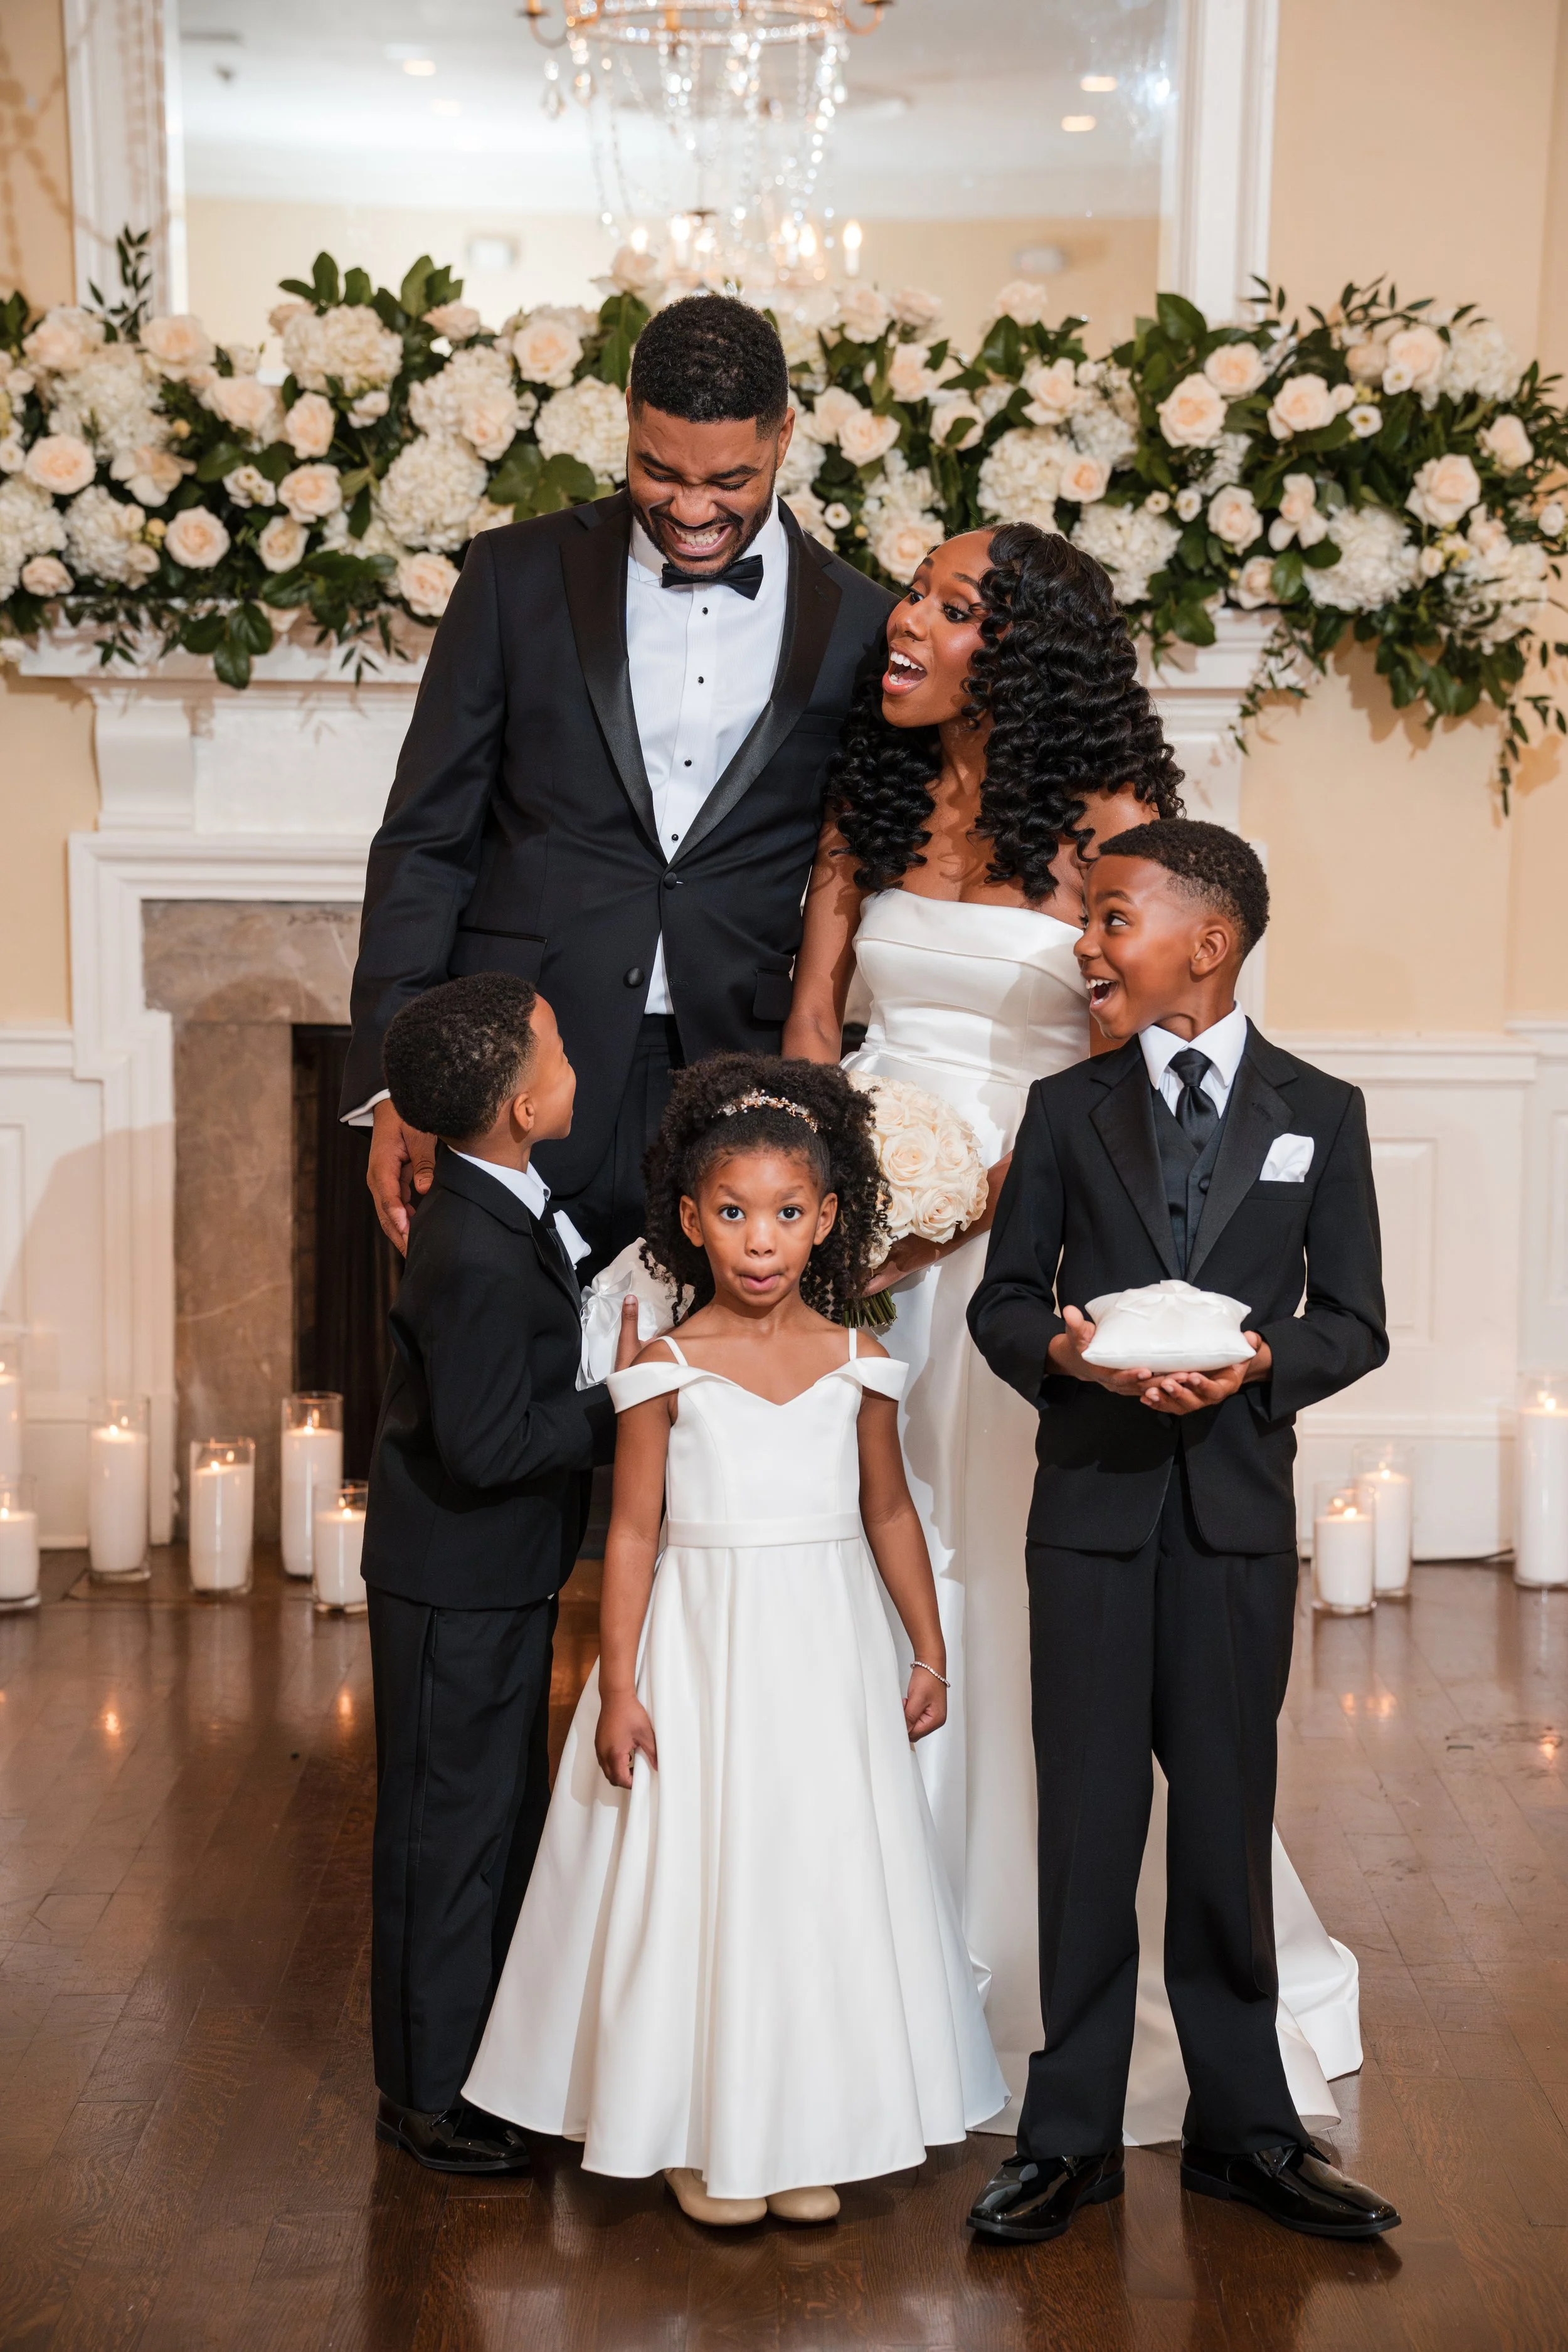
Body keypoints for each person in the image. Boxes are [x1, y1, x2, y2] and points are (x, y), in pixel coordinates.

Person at [783, 524, 1362, 2140]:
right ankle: (847, 1955)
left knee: (1024, 1595)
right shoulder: (874, 799)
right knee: (853, 1569)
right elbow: (817, 1029)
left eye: (950, 610)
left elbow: (1138, 1070)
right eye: (912, 592)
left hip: (1024, 1250)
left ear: (1022, 653)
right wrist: (828, 1214)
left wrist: (968, 1216)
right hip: (856, 1240)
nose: (902, 623)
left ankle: (1041, 1971)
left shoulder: (1119, 838)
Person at [463, 1055, 1007, 2222]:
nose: (761, 1241)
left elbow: (890, 1508)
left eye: (787, 1214)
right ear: (692, 1223)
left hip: (824, 1652)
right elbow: (633, 1534)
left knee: (810, 1874)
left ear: (826, 1222)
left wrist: (928, 1648)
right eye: (733, 1214)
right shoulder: (661, 1368)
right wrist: (618, 1686)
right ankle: (695, 2128)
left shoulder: (864, 1362)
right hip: (701, 1653)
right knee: (703, 1875)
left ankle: (800, 2122)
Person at [965, 820, 1400, 2245]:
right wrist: (1081, 1359)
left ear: (1203, 945)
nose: (1083, 943)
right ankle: (1067, 2134)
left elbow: (1351, 1319)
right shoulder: (1061, 1110)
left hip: (1227, 1520)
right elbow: (1002, 1303)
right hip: (1087, 1515)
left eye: (1108, 918)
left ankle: (1245, 2132)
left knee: (1220, 1817)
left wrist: (1258, 1362)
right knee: (1088, 1824)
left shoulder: (1318, 1112)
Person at [341, 295, 894, 1275]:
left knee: (699, 1417)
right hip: (512, 1073)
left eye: (731, 480)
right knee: (483, 1401)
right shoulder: (513, 577)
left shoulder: (862, 622)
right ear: (628, 413)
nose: (690, 510)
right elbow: (426, 841)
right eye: (658, 470)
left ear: (786, 436)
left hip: (737, 1083)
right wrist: (401, 1083)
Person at [365, 973, 635, 2175]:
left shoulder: (503, 1196)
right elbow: (490, 1445)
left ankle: (475, 2060)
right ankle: (426, 2095)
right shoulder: (471, 1248)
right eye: (564, 1054)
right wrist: (621, 1397)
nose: (579, 1068)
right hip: (454, 1580)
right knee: (447, 1834)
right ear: (524, 1109)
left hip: (493, 1574)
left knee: (493, 1818)